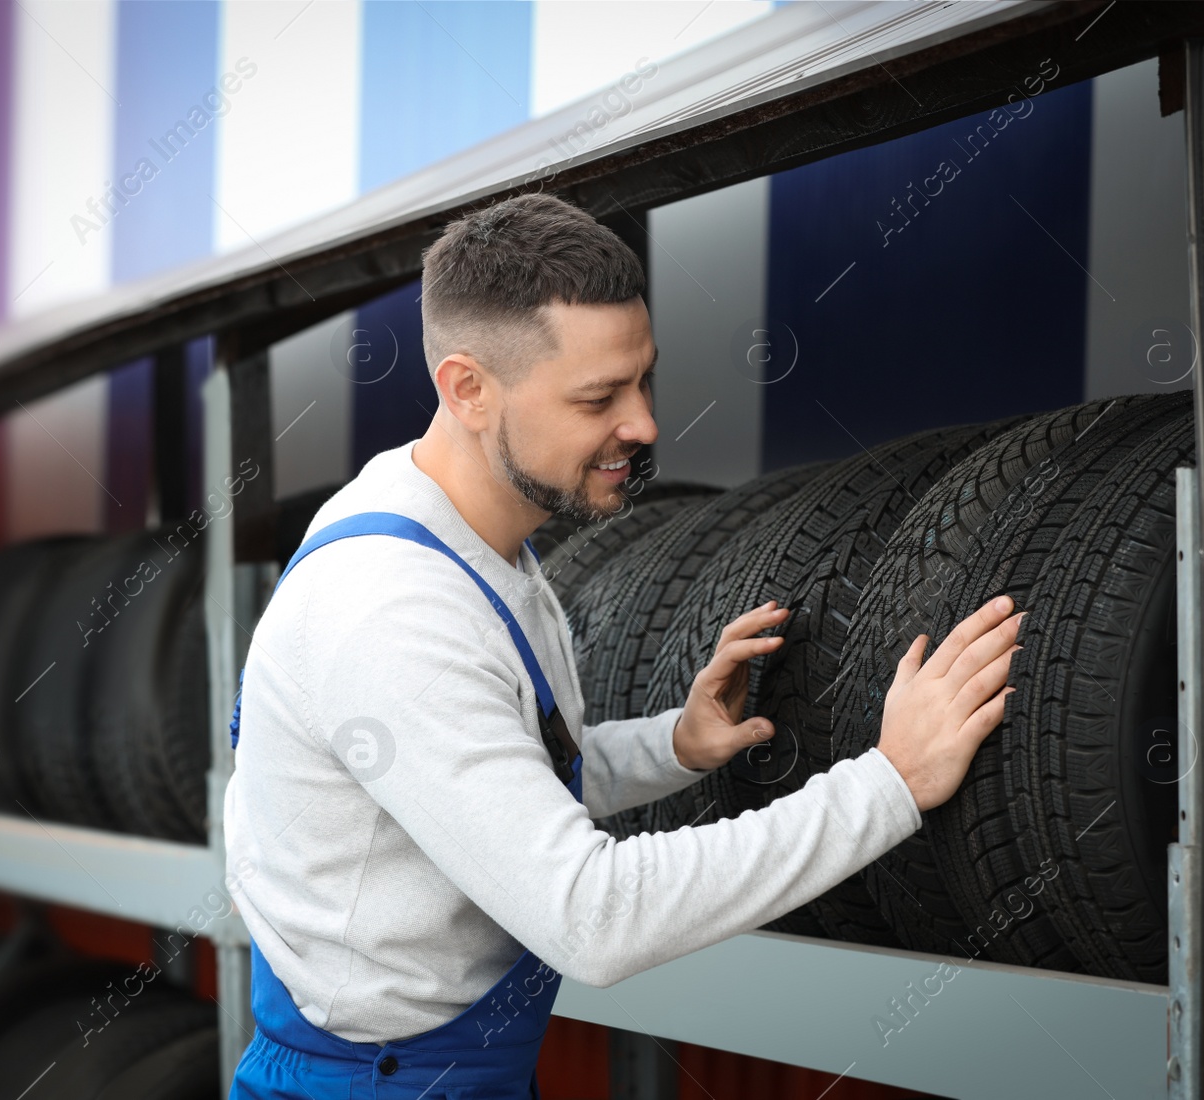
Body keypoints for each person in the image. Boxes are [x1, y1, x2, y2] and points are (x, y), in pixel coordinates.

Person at [223, 193, 1023, 1099]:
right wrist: (891, 785)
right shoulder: (391, 613)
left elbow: (493, 780)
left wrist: (672, 746)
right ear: (467, 389)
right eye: (598, 397)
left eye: (643, 379)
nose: (643, 425)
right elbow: (592, 918)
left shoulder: (465, 536)